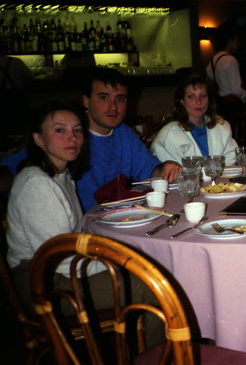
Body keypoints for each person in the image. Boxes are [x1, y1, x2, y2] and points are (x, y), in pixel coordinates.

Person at [5, 102, 163, 344]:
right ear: (38, 139)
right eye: (60, 130)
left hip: (60, 271)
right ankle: (156, 358)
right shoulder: (36, 185)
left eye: (77, 131)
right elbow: (60, 259)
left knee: (148, 272)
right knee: (154, 286)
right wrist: (122, 262)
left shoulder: (61, 175)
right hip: (45, 284)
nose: (72, 138)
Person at [0, 67, 182, 211]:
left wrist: (166, 167)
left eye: (120, 99)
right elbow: (15, 172)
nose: (113, 107)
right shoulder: (67, 139)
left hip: (119, 222)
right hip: (78, 231)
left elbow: (149, 169)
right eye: (104, 97)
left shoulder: (123, 133)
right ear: (86, 101)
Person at [151, 76, 238, 165]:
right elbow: (169, 173)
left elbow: (231, 161)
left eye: (203, 96)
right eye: (191, 97)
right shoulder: (168, 136)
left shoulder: (221, 127)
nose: (198, 102)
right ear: (182, 101)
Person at [205, 22, 246, 121]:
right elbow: (236, 90)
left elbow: (210, 79)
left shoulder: (213, 60)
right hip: (232, 107)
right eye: (236, 40)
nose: (237, 44)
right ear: (229, 41)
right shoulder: (230, 60)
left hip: (220, 105)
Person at [0, 50, 33, 150]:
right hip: (16, 99)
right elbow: (29, 76)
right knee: (20, 127)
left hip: (2, 101)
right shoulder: (16, 62)